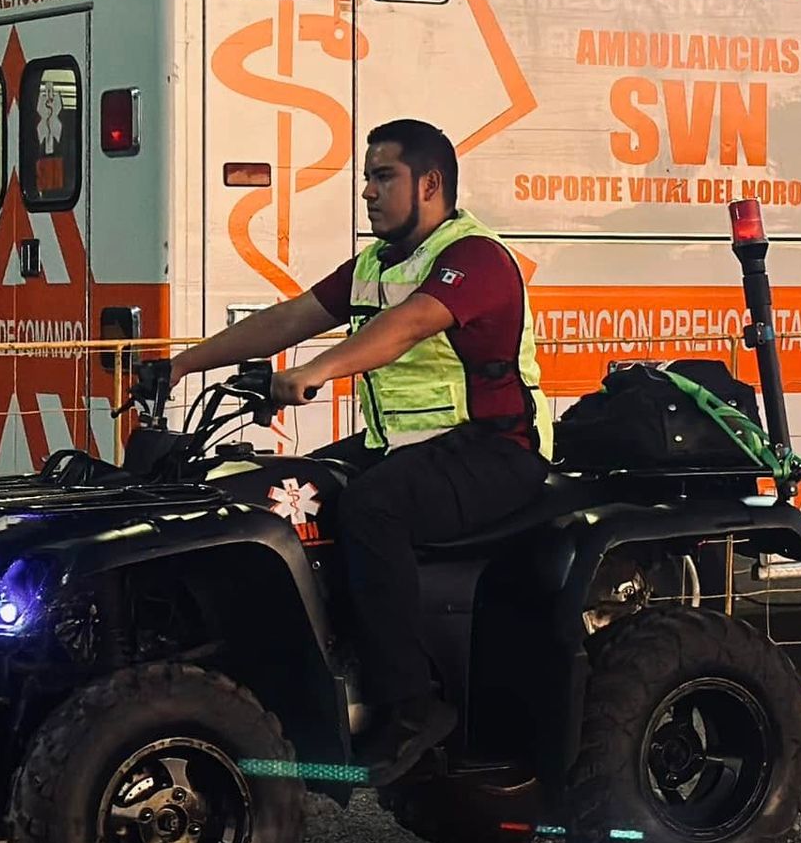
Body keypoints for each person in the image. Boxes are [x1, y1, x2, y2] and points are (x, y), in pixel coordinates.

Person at [168, 120, 550, 782]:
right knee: (291, 490)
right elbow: (291, 316)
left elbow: (407, 327)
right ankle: (322, 663)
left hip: (494, 450)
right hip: (404, 446)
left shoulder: (474, 258)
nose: (367, 192)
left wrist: (315, 371)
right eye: (367, 178)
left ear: (429, 184)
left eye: (383, 177)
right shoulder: (377, 263)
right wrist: (182, 364)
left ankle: (410, 704)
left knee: (374, 507)